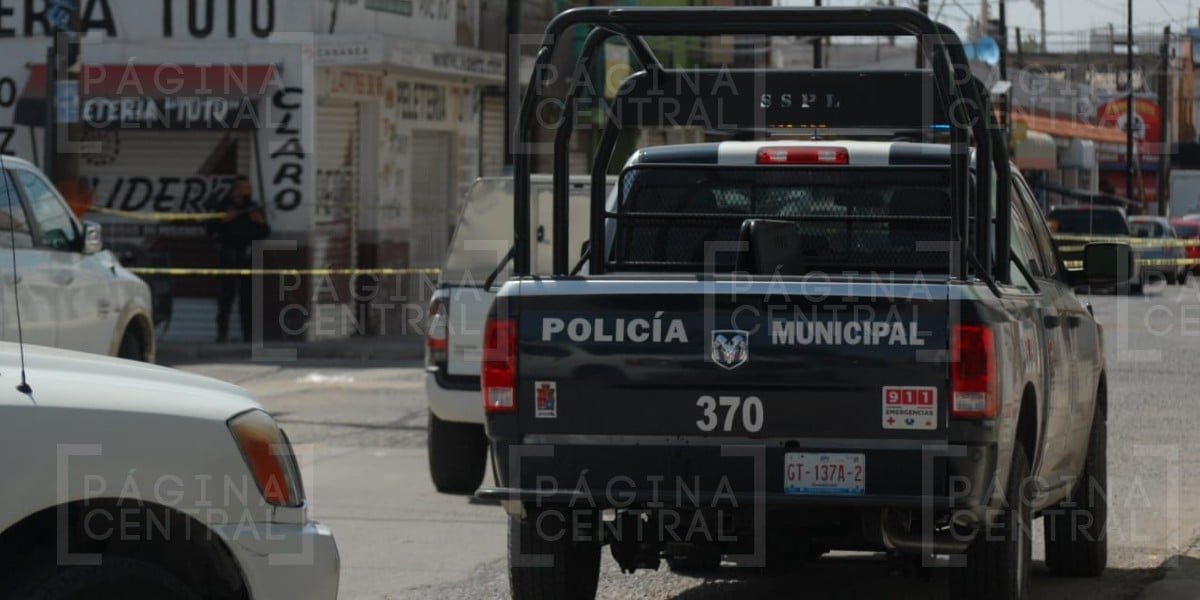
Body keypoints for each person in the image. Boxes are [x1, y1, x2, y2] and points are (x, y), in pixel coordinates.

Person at [208, 177, 270, 343]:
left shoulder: (253, 208)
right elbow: (210, 229)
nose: (247, 192)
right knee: (226, 297)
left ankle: (248, 335)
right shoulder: (223, 206)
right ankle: (222, 334)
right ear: (236, 190)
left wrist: (261, 223)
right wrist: (223, 220)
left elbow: (264, 233)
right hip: (228, 255)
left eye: (249, 188)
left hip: (247, 255)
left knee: (247, 298)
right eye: (244, 188)